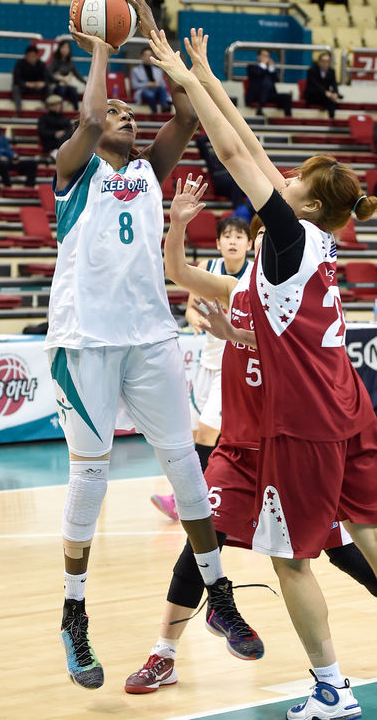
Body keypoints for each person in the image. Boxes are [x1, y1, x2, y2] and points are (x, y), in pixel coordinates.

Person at [148, 25, 377, 720]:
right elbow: (249, 145)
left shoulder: (288, 239)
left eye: (293, 180)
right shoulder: (316, 239)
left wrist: (185, 82)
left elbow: (232, 151)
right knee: (370, 533)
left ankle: (331, 690)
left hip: (305, 422)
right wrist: (205, 76)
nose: (282, 178)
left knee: (292, 561)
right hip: (352, 406)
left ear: (305, 204)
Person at [44, 0, 257, 692]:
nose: (127, 117)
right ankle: (74, 615)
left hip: (149, 336)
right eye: (119, 113)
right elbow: (90, 115)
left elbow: (188, 113)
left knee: (185, 465)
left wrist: (154, 34)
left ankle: (219, 594)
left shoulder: (146, 170)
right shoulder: (72, 172)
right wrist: (105, 45)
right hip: (85, 343)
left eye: (132, 112)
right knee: (91, 476)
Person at [127, 214, 377, 693]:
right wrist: (177, 224)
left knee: (347, 554)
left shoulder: (299, 298)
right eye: (256, 233)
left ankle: (326, 678)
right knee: (201, 544)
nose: (262, 240)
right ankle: (164, 654)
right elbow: (176, 270)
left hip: (292, 451)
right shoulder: (236, 287)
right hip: (239, 448)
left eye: (267, 234)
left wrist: (234, 335)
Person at [151, 216, 252, 521]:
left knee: (208, 433)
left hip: (232, 367)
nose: (233, 241)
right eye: (227, 236)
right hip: (206, 363)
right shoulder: (208, 267)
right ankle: (203, 497)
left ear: (249, 244)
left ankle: (188, 502)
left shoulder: (253, 276)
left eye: (239, 237)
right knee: (193, 435)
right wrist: (196, 320)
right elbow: (192, 308)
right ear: (218, 243)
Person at [0, 109, 37, 188]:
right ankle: (8, 186)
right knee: (2, 163)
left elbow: (7, 147)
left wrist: (14, 156)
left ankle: (29, 188)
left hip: (5, 159)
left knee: (32, 163)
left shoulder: (0, 133)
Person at [196, 133, 244, 209]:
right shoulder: (210, 156)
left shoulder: (231, 155)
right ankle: (239, 210)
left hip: (234, 182)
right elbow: (200, 140)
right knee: (236, 183)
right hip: (220, 184)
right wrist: (218, 137)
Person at [245, 48, 292, 117]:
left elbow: (276, 80)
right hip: (257, 95)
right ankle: (259, 109)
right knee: (265, 84)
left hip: (269, 95)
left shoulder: (269, 69)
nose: (266, 58)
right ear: (258, 57)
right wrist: (263, 65)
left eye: (267, 56)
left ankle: (288, 118)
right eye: (264, 56)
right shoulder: (252, 67)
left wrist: (271, 69)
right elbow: (258, 74)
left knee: (286, 97)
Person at [130, 45, 171, 113]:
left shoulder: (158, 70)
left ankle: (164, 107)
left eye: (150, 55)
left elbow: (163, 84)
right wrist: (147, 84)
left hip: (157, 90)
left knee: (162, 88)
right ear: (141, 57)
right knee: (150, 94)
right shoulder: (135, 70)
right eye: (146, 55)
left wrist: (157, 84)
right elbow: (134, 85)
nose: (148, 58)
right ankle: (155, 112)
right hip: (144, 90)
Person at [49, 40, 86, 111]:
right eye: (63, 47)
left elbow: (78, 75)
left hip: (68, 85)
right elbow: (49, 74)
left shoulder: (70, 63)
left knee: (73, 90)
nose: (65, 50)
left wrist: (86, 83)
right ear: (59, 49)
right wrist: (60, 80)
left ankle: (76, 111)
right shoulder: (55, 61)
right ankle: (60, 111)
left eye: (67, 48)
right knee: (62, 89)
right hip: (58, 85)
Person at [304, 52, 343, 120]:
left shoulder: (331, 71)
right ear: (319, 62)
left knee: (332, 100)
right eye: (323, 61)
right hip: (313, 95)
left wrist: (335, 93)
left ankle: (331, 120)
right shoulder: (312, 70)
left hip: (325, 96)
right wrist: (325, 92)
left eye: (327, 61)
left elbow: (334, 83)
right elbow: (315, 84)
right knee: (329, 98)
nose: (325, 63)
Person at [12, 45, 51, 111]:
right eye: (29, 56)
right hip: (25, 88)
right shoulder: (20, 63)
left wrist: (43, 83)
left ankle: (48, 109)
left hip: (38, 88)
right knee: (16, 88)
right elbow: (16, 79)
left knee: (49, 88)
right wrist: (26, 84)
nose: (31, 58)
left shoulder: (41, 64)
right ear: (26, 56)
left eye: (33, 56)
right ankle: (19, 109)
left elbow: (47, 78)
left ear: (37, 56)